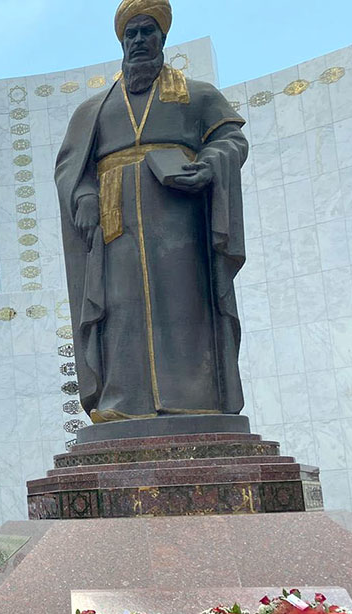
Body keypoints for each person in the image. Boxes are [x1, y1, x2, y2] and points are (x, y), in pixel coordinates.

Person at [56, 0, 248, 424]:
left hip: (179, 219)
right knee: (121, 310)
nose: (139, 40)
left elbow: (232, 141)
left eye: (148, 31)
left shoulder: (198, 95)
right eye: (132, 33)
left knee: (185, 305)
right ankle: (123, 402)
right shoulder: (94, 108)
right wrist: (85, 200)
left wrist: (208, 166)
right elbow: (73, 169)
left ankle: (198, 399)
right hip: (115, 225)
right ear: (122, 40)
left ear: (163, 37)